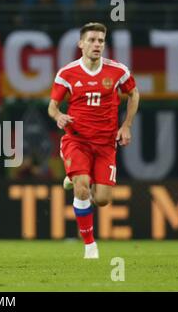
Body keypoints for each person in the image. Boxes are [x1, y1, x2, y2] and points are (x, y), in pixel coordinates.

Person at [48, 22, 140, 259]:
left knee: (102, 200)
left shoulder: (118, 71)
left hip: (106, 144)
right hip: (76, 140)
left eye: (101, 40)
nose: (97, 44)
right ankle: (90, 245)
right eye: (92, 40)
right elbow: (52, 106)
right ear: (81, 44)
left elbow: (134, 93)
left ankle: (74, 180)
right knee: (82, 184)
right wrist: (59, 116)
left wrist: (127, 125)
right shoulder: (67, 73)